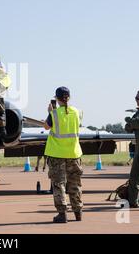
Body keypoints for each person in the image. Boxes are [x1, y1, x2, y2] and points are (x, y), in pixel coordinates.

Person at [43, 87, 83, 223]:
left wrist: (50, 112)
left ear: (57, 98)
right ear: (69, 97)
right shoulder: (77, 112)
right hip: (74, 153)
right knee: (75, 184)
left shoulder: (54, 113)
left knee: (59, 184)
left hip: (57, 154)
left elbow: (46, 127)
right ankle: (78, 212)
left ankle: (62, 213)